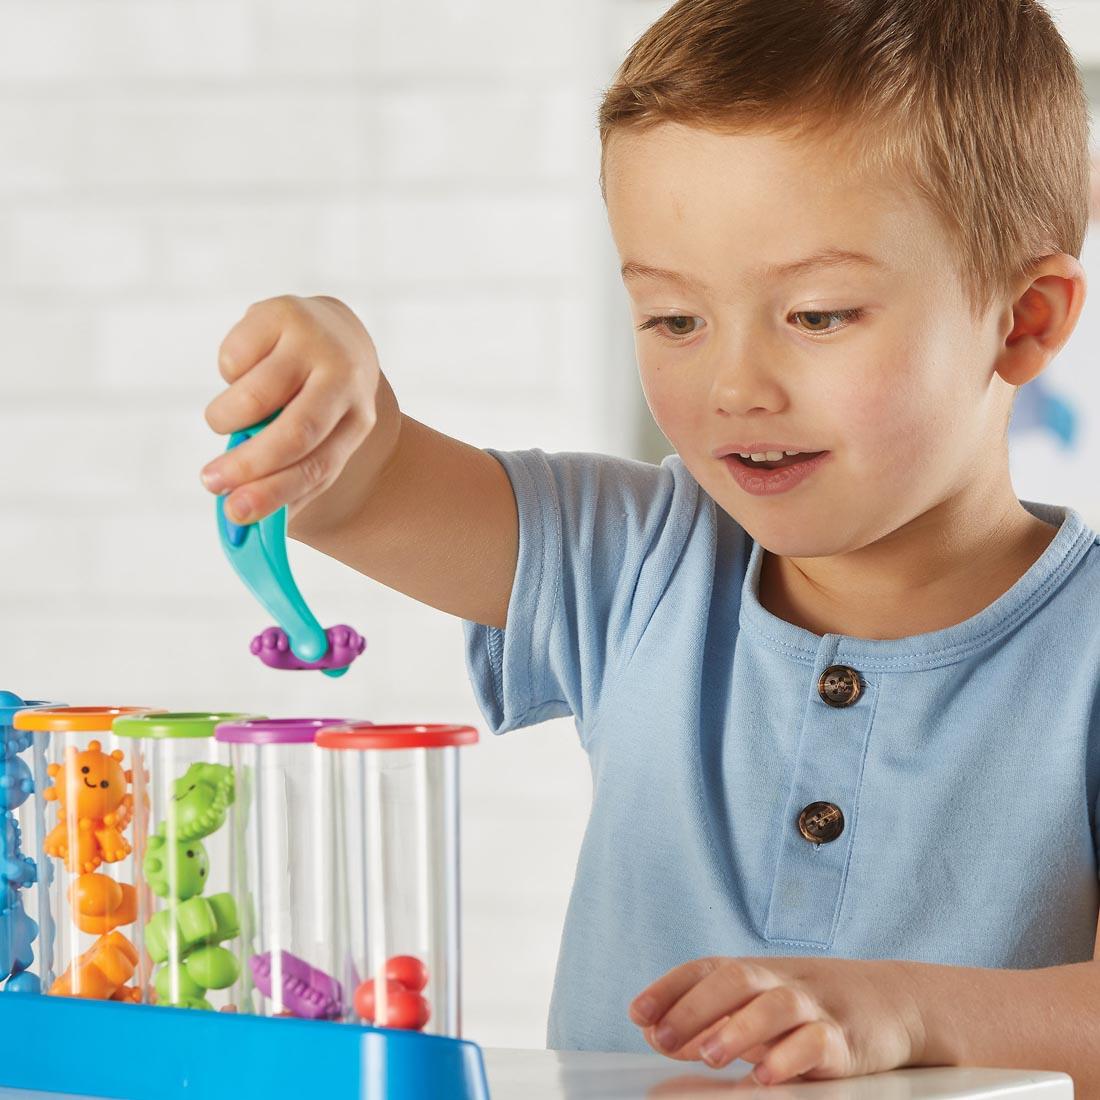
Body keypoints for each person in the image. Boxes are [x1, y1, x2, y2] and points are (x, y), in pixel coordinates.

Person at [200, 0, 1100, 1089]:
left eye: (816, 314)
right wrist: (327, 380)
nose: (733, 386)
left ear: (1023, 319)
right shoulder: (631, 561)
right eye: (674, 319)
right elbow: (363, 482)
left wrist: (902, 1009)